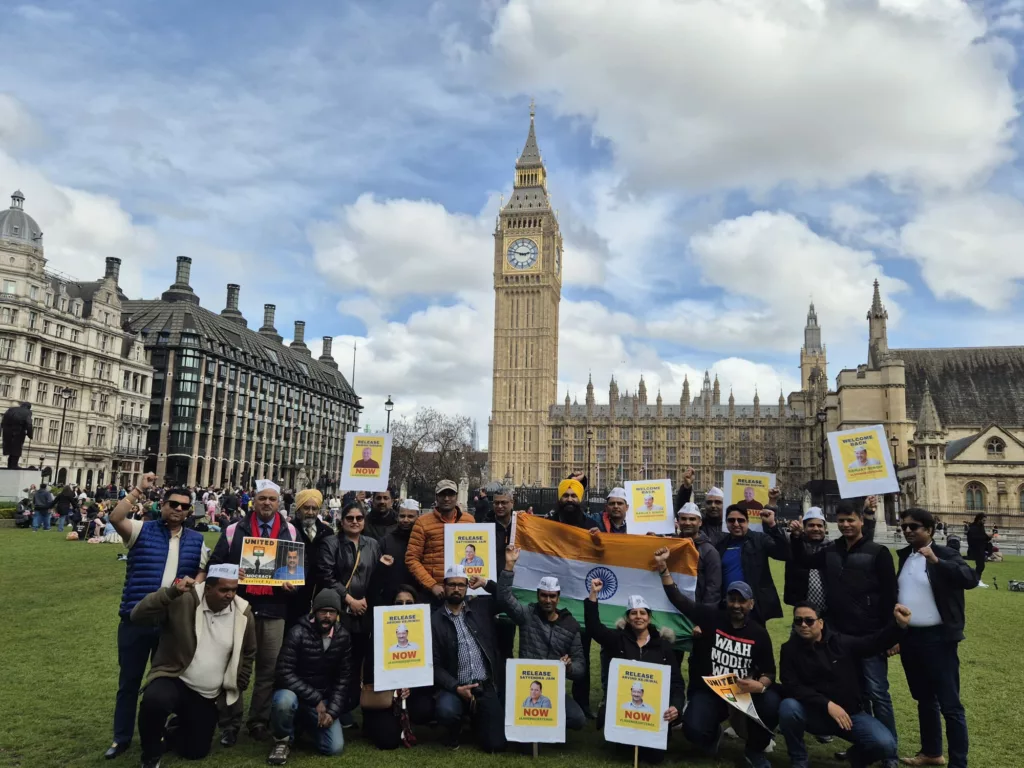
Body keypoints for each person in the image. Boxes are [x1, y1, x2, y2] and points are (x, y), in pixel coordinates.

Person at [104, 473, 207, 760]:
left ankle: (157, 734)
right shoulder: (141, 530)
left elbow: (204, 569)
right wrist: (139, 489)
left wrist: (195, 583)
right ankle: (121, 738)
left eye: (184, 506)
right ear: (162, 505)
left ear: (189, 511)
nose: (178, 509)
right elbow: (115, 518)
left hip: (171, 624)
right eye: (173, 504)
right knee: (129, 682)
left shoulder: (197, 539)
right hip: (136, 619)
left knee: (165, 684)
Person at [790, 499, 898, 761]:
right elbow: (804, 559)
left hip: (870, 634)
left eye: (851, 520)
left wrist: (892, 634)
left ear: (861, 520)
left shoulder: (878, 552)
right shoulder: (832, 550)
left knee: (877, 693)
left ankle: (889, 753)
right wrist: (796, 537)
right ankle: (862, 745)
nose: (846, 525)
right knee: (854, 693)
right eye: (841, 521)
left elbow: (890, 595)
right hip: (839, 636)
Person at [652, 548, 778, 768]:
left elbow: (769, 672)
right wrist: (663, 568)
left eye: (742, 601)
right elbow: (679, 600)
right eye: (732, 599)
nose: (736, 605)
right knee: (694, 729)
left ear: (751, 604)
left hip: (742, 694)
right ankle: (712, 734)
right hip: (710, 691)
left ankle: (754, 749)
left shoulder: (759, 634)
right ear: (726, 600)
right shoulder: (711, 617)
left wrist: (760, 685)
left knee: (771, 702)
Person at [131, 564, 256, 768]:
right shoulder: (184, 599)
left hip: (206, 694)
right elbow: (137, 615)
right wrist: (170, 593)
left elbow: (249, 651)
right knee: (155, 700)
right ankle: (151, 754)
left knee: (196, 751)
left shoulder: (243, 613)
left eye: (234, 590)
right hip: (175, 678)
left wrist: (240, 681)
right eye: (224, 590)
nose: (230, 595)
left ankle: (172, 729)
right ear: (208, 588)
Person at [209, 479, 300, 746]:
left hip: (275, 608)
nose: (267, 503)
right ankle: (230, 723)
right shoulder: (233, 529)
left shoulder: (290, 531)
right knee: (233, 667)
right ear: (253, 501)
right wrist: (230, 572)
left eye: (272, 499)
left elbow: (297, 570)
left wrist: (292, 583)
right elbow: (214, 565)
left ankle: (258, 720)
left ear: (279, 502)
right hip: (239, 607)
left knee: (268, 670)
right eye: (262, 499)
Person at [779, 602, 911, 768]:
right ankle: (799, 759)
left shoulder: (841, 642)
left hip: (850, 715)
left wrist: (898, 626)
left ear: (821, 623)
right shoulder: (789, 649)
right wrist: (827, 704)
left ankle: (855, 756)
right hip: (813, 714)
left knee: (886, 745)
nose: (803, 625)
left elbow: (873, 643)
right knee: (788, 707)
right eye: (798, 621)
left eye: (809, 620)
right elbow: (791, 685)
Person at [896, 508, 977, 768]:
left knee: (950, 704)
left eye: (914, 526)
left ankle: (958, 763)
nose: (908, 530)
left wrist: (937, 562)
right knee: (924, 699)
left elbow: (970, 579)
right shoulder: (904, 556)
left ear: (929, 530)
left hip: (939, 638)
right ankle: (932, 752)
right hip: (910, 638)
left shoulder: (945, 553)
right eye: (904, 527)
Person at [585, 579, 683, 764]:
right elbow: (594, 628)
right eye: (633, 613)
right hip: (624, 710)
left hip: (652, 712)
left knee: (655, 758)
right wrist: (593, 595)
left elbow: (676, 683)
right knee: (623, 751)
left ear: (649, 617)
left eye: (643, 613)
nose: (639, 617)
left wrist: (676, 707)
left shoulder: (663, 647)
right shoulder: (618, 640)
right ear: (628, 618)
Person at [498, 546, 587, 730]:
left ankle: (545, 726)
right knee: (504, 712)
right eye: (544, 595)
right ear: (538, 595)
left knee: (577, 719)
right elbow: (505, 597)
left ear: (558, 598)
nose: (548, 600)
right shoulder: (527, 615)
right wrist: (509, 565)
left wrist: (570, 667)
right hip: (526, 684)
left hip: (553, 687)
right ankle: (529, 726)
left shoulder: (571, 625)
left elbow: (581, 667)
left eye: (552, 596)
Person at [266, 589, 352, 764]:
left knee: (334, 748)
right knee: (284, 702)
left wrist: (332, 712)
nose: (327, 616)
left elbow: (343, 679)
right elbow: (283, 672)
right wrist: (315, 699)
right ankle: (282, 740)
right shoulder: (297, 632)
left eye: (332, 612)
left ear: (337, 614)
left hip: (323, 700)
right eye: (323, 611)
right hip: (295, 695)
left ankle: (303, 725)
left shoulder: (343, 637)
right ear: (314, 611)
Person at [319, 500, 385, 727]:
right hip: (340, 611)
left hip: (364, 611)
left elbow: (377, 576)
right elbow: (327, 575)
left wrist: (367, 600)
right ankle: (333, 706)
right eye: (350, 518)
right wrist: (349, 600)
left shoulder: (372, 544)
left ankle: (349, 704)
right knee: (336, 659)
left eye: (359, 518)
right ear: (342, 520)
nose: (355, 522)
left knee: (358, 659)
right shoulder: (331, 543)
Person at [432, 564, 506, 752]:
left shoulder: (480, 608)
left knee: (495, 745)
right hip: (454, 687)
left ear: (467, 587)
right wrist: (456, 687)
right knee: (447, 710)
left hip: (483, 685)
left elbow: (505, 598)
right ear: (444, 586)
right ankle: (455, 727)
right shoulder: (434, 620)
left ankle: (475, 719)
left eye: (461, 585)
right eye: (452, 584)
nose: (456, 589)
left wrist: (486, 583)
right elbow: (434, 665)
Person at [361, 585, 436, 750]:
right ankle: (375, 722)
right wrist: (393, 685)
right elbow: (371, 669)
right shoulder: (379, 628)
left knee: (425, 708)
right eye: (399, 603)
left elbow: (426, 668)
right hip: (384, 693)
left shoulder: (424, 629)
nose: (404, 607)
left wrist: (411, 687)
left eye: (409, 603)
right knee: (388, 742)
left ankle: (406, 721)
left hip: (411, 692)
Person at [717, 495, 789, 624]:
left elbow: (783, 553)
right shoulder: (721, 545)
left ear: (747, 522)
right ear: (726, 523)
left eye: (741, 520)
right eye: (731, 520)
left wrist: (772, 525)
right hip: (728, 604)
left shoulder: (759, 539)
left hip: (753, 606)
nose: (736, 524)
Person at [405, 479, 476, 601]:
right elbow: (412, 559)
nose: (446, 498)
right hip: (435, 592)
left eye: (450, 494)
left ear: (456, 496)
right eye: (442, 494)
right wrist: (432, 585)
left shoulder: (469, 520)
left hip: (461, 591)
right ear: (436, 497)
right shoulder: (422, 522)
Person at [289, 488, 333, 628]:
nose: (310, 512)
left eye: (314, 508)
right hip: (293, 593)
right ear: (298, 509)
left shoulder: (327, 532)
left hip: (318, 591)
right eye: (306, 508)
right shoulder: (289, 529)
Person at [674, 501, 722, 607]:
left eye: (692, 519)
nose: (687, 523)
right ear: (678, 521)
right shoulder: (672, 546)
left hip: (696, 608)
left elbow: (713, 587)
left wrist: (704, 613)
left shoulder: (709, 551)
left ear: (700, 522)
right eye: (683, 519)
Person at [784, 507, 829, 612]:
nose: (816, 529)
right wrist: (796, 536)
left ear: (825, 528)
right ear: (803, 527)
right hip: (802, 606)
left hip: (829, 606)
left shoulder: (832, 547)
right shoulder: (793, 544)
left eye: (819, 525)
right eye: (811, 525)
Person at [377, 500, 419, 603]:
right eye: (402, 516)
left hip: (418, 597)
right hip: (392, 599)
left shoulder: (423, 540)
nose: (405, 520)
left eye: (410, 516)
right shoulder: (386, 541)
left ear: (418, 517)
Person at [674, 467, 726, 546]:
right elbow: (683, 510)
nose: (713, 505)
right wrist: (686, 488)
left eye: (717, 502)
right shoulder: (700, 523)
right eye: (709, 502)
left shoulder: (731, 524)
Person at [965, 513, 991, 588]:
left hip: (980, 548)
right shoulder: (973, 528)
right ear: (979, 519)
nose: (984, 522)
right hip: (976, 549)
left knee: (980, 565)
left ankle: (977, 580)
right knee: (980, 565)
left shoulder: (980, 527)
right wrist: (986, 537)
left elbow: (983, 536)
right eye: (983, 520)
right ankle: (977, 580)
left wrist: (989, 537)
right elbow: (974, 538)